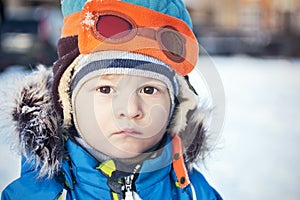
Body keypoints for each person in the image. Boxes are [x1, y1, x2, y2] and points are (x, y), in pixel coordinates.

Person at [1, 0, 222, 199]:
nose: (130, 109)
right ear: (68, 104)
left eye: (149, 90)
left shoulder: (196, 194)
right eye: (105, 89)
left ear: (175, 109)